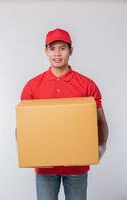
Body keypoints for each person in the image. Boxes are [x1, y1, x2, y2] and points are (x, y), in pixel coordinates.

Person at [20, 28, 108, 200]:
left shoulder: (86, 85)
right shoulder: (32, 86)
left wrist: (101, 145)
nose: (57, 54)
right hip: (44, 167)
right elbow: (24, 125)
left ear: (71, 50)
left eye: (62, 48)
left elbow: (100, 121)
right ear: (46, 51)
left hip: (77, 167)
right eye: (52, 48)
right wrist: (23, 147)